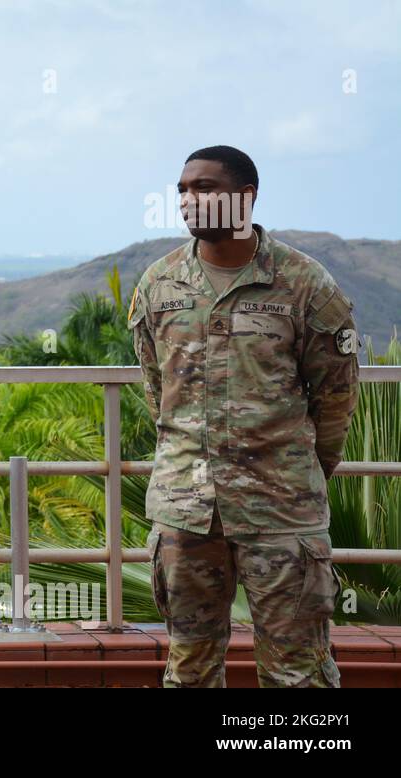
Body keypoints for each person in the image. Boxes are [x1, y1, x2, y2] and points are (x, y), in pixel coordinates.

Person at [128, 146, 359, 687]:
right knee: (189, 668)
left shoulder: (304, 284)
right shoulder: (159, 286)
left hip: (282, 511)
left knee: (297, 672)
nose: (188, 199)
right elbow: (158, 391)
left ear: (246, 196)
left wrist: (301, 476)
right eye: (183, 189)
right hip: (185, 514)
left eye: (204, 187)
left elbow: (336, 395)